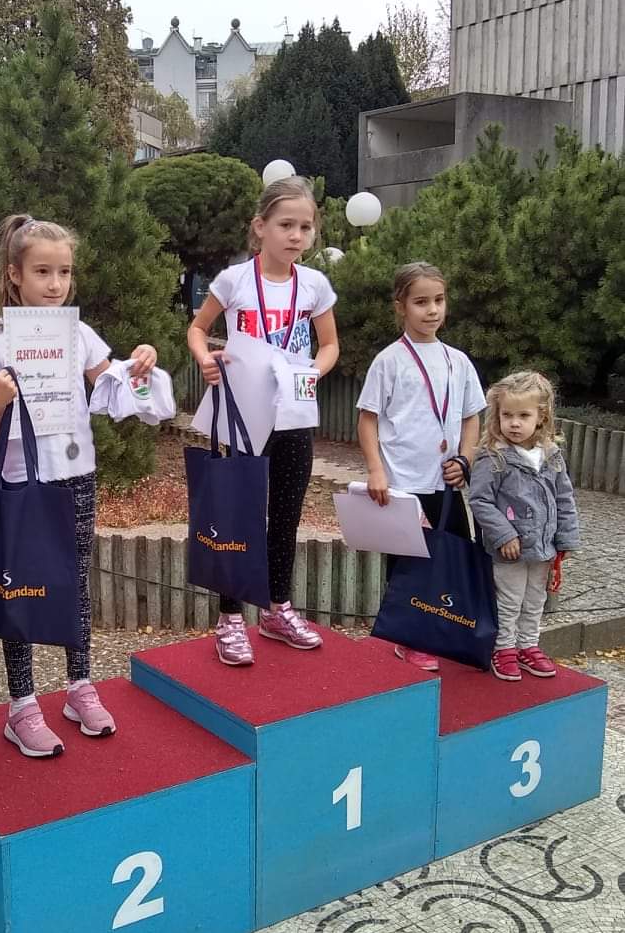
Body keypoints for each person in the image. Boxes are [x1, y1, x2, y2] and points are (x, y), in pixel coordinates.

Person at [0, 214, 158, 758]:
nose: (55, 284)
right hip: (21, 480)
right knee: (21, 585)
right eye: (43, 271)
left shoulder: (80, 334)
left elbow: (116, 394)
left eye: (65, 272)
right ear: (14, 274)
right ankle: (22, 704)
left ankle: (79, 686)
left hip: (76, 475)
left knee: (75, 580)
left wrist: (139, 369)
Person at [187, 176, 340, 666]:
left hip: (293, 414)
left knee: (286, 515)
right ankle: (230, 619)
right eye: (285, 225)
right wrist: (204, 358)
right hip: (243, 412)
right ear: (260, 227)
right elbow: (198, 329)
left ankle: (277, 608)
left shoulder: (314, 285)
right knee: (238, 513)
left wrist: (312, 371)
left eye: (305, 227)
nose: (296, 235)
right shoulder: (234, 280)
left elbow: (330, 345)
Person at [357, 261, 487, 671]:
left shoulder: (457, 361)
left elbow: (472, 416)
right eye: (421, 302)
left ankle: (449, 629)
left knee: (454, 555)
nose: (432, 310)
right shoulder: (389, 360)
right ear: (401, 306)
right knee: (409, 564)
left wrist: (466, 457)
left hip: (445, 482)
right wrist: (376, 470)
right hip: (403, 482)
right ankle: (410, 638)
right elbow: (367, 418)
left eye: (439, 300)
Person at [469, 371, 580, 681]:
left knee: (535, 599)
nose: (514, 423)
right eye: (507, 415)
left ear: (541, 417)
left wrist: (566, 539)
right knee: (509, 599)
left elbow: (564, 497)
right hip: (510, 549)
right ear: (497, 415)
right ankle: (503, 648)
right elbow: (480, 500)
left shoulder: (551, 455)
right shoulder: (494, 457)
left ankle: (528, 645)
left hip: (543, 547)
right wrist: (504, 534)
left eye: (523, 416)